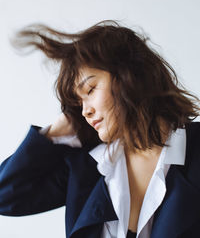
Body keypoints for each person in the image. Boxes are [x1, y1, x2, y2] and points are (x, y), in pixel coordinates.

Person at [0, 20, 200, 238]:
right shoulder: (88, 168)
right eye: (79, 103)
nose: (85, 111)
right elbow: (5, 196)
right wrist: (50, 135)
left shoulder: (195, 150)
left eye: (90, 89)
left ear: (130, 76)